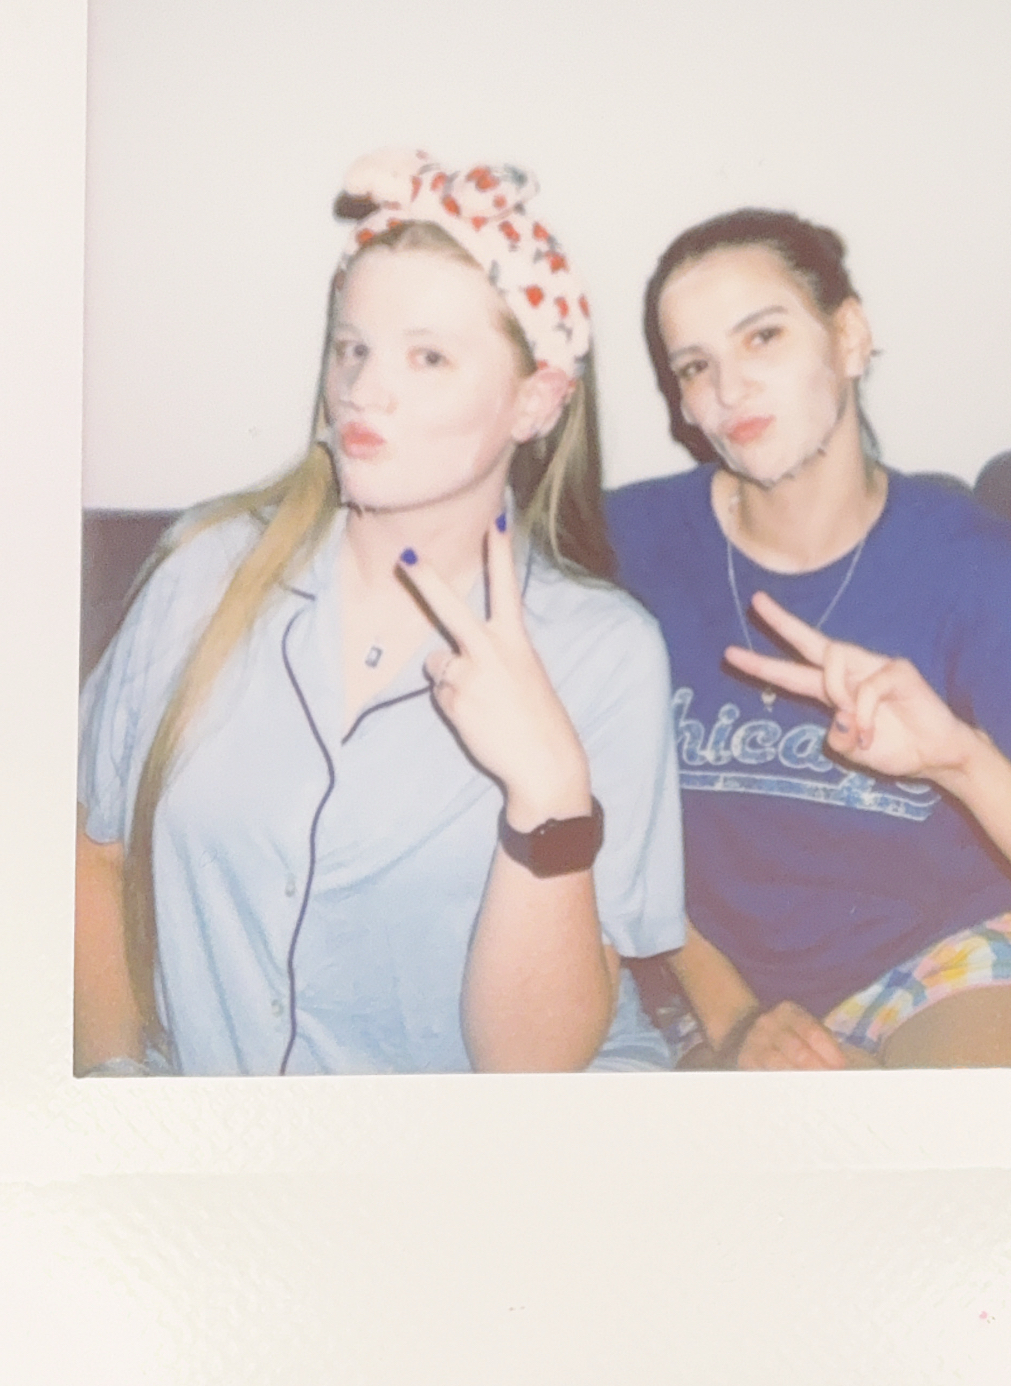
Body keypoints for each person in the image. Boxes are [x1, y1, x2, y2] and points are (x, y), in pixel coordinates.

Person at [75, 148, 684, 1076]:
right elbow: (93, 853)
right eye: (351, 347)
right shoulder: (204, 573)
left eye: (427, 355)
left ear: (536, 400)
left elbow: (532, 1071)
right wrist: (119, 1101)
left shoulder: (607, 654)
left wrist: (551, 795)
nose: (364, 388)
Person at [607, 208, 1011, 1069]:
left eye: (761, 337)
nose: (727, 392)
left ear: (847, 338)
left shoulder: (985, 572)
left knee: (1003, 1167)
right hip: (716, 984)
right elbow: (608, 828)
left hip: (957, 956)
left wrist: (961, 761)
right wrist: (732, 1019)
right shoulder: (624, 549)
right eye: (696, 367)